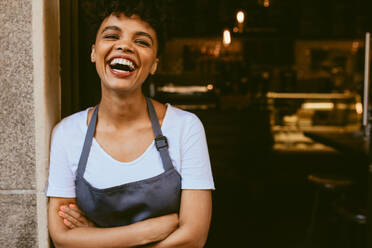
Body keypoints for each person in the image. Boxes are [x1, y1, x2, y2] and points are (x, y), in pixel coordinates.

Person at [47, 1, 215, 247]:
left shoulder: (185, 128)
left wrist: (95, 237)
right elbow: (62, 238)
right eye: (112, 36)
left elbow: (193, 237)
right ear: (94, 52)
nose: (124, 46)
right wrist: (149, 231)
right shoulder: (66, 134)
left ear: (155, 63)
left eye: (142, 41)